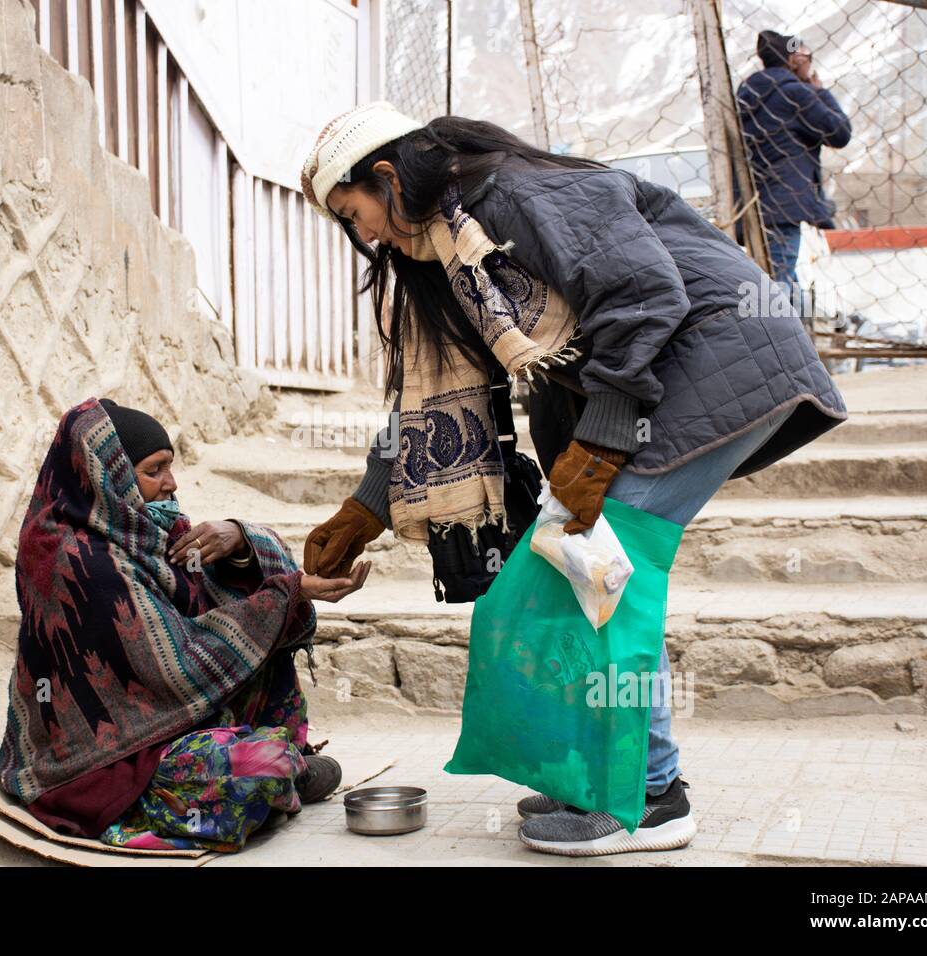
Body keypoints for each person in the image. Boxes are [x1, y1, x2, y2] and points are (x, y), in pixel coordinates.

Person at [299, 101, 848, 856]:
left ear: (387, 176)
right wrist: (366, 508)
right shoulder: (443, 254)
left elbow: (644, 293)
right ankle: (606, 778)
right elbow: (429, 404)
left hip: (714, 354)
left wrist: (601, 445)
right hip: (660, 382)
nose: (359, 234)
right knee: (576, 572)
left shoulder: (514, 195)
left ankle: (650, 798)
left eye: (352, 209)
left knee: (598, 571)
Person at [0, 397, 370, 853]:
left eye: (170, 466)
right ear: (107, 474)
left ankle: (284, 768)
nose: (171, 483)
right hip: (98, 760)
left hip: (165, 718)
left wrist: (237, 537)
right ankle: (284, 770)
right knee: (256, 763)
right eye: (155, 469)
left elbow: (213, 593)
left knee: (266, 652)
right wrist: (291, 592)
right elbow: (176, 666)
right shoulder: (73, 557)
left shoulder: (137, 530)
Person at [737, 30, 852, 328]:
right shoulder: (795, 92)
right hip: (785, 201)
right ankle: (789, 347)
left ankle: (803, 342)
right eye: (805, 57)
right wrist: (819, 91)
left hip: (753, 200)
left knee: (781, 274)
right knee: (780, 282)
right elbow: (839, 133)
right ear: (793, 59)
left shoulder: (746, 91)